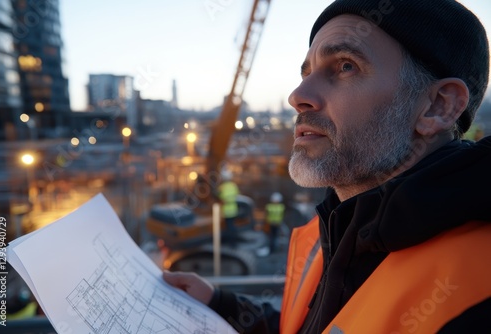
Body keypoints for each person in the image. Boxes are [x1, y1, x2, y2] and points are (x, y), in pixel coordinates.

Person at [163, 0, 491, 332]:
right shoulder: (338, 230)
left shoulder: (478, 293)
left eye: (346, 66)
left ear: (438, 106)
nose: (298, 95)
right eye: (307, 72)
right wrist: (222, 306)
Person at [217, 169, 239, 247]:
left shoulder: (221, 187)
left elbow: (219, 198)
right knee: (232, 226)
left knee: (228, 227)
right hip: (233, 209)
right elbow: (237, 195)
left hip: (226, 210)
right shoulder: (233, 185)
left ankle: (231, 243)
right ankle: (234, 242)